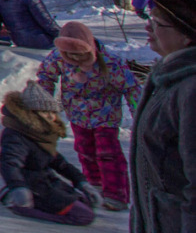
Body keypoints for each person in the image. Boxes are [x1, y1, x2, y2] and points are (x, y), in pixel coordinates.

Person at [132, 0, 196, 233]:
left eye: (158, 23)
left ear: (186, 35)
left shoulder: (190, 88)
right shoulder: (171, 74)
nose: (148, 28)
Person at [36, 21, 139, 211]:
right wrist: (45, 103)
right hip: (77, 114)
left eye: (81, 56)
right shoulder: (58, 58)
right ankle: (94, 185)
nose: (76, 60)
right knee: (84, 149)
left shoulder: (110, 62)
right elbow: (45, 75)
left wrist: (139, 113)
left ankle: (116, 193)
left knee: (107, 152)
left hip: (105, 114)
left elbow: (131, 88)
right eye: (71, 56)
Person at [0, 82, 97, 226]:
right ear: (30, 113)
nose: (51, 117)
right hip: (30, 184)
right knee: (83, 216)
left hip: (45, 181)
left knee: (86, 203)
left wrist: (81, 182)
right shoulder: (17, 135)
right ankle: (18, 205)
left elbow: (58, 162)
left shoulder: (42, 133)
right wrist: (18, 187)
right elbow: (10, 163)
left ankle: (16, 196)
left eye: (53, 112)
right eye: (44, 112)